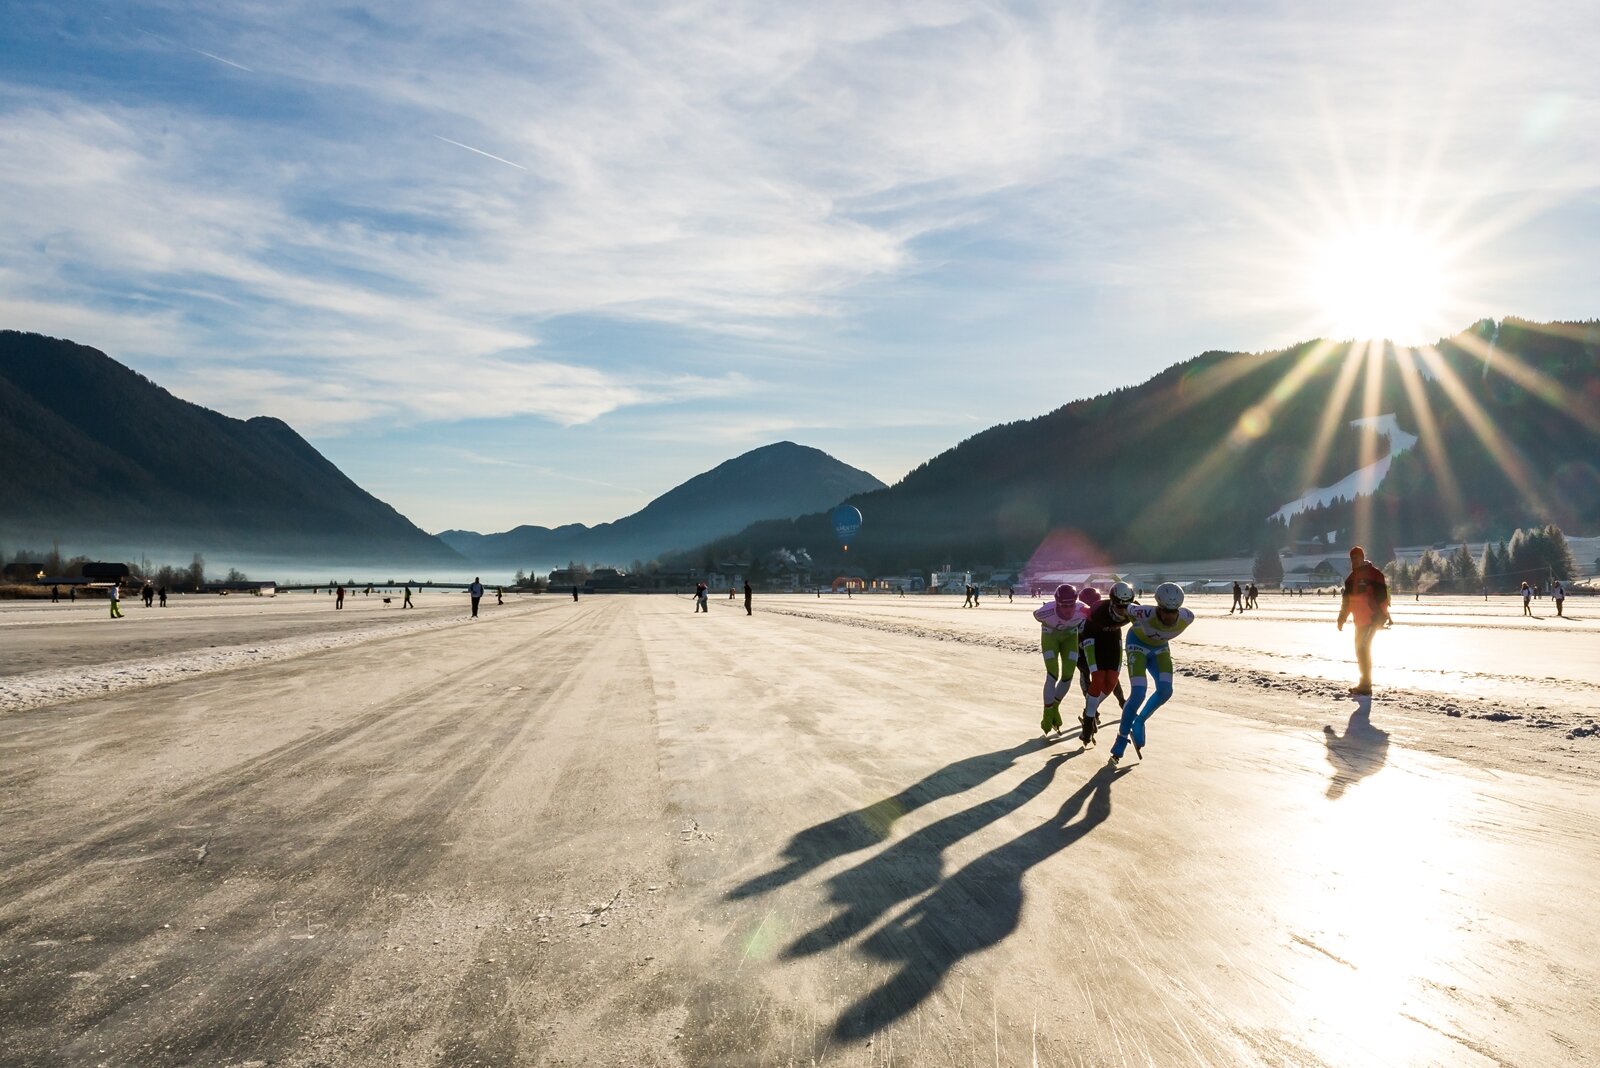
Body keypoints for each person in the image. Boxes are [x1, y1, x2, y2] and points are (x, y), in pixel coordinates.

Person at [1109, 582, 1195, 764]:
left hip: (1160, 650)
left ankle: (1140, 721)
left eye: (1174, 611)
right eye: (1165, 610)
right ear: (1158, 606)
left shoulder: (1187, 617)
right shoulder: (1142, 612)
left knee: (1166, 691)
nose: (1170, 616)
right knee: (1139, 693)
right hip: (1136, 646)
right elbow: (1124, 607)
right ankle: (1121, 738)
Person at [1076, 584, 1131, 745]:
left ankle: (1090, 712)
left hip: (1110, 640)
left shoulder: (1129, 608)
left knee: (1109, 680)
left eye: (1126, 606)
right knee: (1097, 677)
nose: (1123, 610)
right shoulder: (1094, 612)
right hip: (1090, 640)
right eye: (1120, 607)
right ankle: (1089, 722)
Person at [1337, 546, 1391, 696]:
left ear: (1362, 558)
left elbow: (1383, 598)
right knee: (1359, 650)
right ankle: (1364, 683)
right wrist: (1341, 618)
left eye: (1356, 558)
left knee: (1363, 648)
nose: (1354, 561)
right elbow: (1347, 602)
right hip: (1359, 622)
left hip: (1372, 620)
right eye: (1352, 558)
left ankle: (1366, 685)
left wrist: (1381, 616)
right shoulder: (1350, 579)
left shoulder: (1375, 575)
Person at [1033, 583, 1086, 736]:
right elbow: (1035, 615)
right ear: (1057, 604)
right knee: (1052, 674)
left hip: (1070, 637)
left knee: (1068, 676)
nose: (1068, 609)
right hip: (1050, 637)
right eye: (1064, 606)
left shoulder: (1082, 608)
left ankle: (1054, 707)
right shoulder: (1045, 611)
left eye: (1071, 605)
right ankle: (1047, 713)